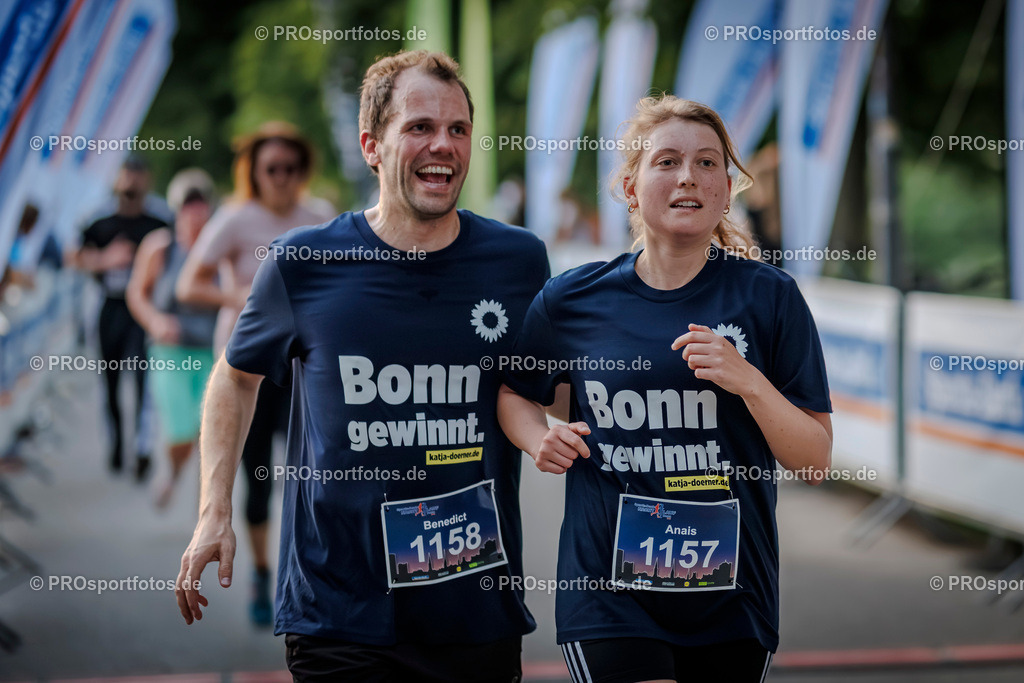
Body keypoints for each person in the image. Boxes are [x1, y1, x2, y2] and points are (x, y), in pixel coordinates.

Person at [174, 50, 549, 682]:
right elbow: (235, 378)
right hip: (338, 610)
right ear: (372, 144)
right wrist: (214, 509)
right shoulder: (303, 262)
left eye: (458, 129)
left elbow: (546, 393)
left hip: (472, 607)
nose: (444, 145)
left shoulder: (517, 261)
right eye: (420, 127)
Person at [497, 95, 833, 683]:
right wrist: (535, 440)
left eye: (708, 164)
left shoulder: (770, 297)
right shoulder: (572, 299)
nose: (688, 177)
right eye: (667, 161)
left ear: (727, 191)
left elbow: (815, 459)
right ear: (630, 188)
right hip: (608, 593)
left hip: (732, 592)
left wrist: (748, 381)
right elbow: (516, 391)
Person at [175, 122, 334, 626]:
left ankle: (313, 572)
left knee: (318, 475)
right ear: (254, 172)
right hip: (249, 371)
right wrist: (250, 300)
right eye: (271, 169)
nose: (282, 178)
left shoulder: (320, 218)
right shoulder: (236, 218)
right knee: (260, 480)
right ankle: (263, 572)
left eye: (291, 168)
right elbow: (189, 285)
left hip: (306, 370)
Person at [126, 169, 219, 509]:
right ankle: (173, 472)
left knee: (208, 434)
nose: (194, 215)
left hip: (213, 351)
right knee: (181, 430)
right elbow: (137, 292)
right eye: (187, 207)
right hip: (171, 352)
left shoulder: (220, 249)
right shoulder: (159, 248)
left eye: (200, 206)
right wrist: (155, 320)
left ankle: (204, 513)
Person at [70, 157, 165, 480]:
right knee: (110, 381)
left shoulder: (158, 220)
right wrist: (105, 260)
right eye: (126, 179)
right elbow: (75, 256)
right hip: (108, 306)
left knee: (142, 380)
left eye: (138, 179)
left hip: (143, 308)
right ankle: (116, 443)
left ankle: (142, 449)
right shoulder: (99, 219)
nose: (132, 185)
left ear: (146, 181)